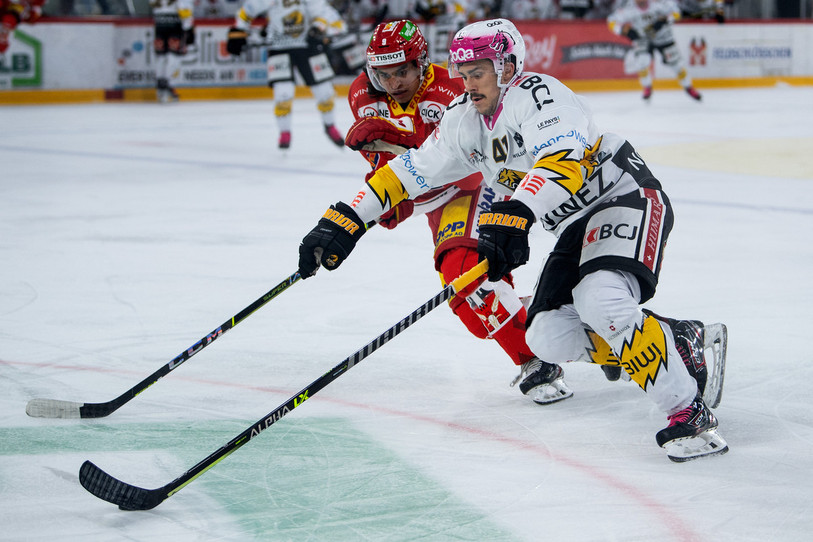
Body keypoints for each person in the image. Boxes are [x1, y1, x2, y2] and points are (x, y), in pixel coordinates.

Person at [297, 18, 728, 462]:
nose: (468, 84)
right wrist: (345, 219)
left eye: (477, 72)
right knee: (546, 337)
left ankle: (688, 411)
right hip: (574, 226)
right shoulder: (464, 121)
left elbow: (562, 162)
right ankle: (675, 339)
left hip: (622, 195)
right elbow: (410, 171)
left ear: (505, 66)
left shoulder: (540, 94)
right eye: (463, 74)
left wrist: (515, 215)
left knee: (601, 300)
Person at [344, 19, 572, 405]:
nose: (394, 82)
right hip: (430, 197)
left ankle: (535, 358)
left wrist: (397, 138)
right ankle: (553, 321)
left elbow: (465, 166)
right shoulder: (363, 93)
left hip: (476, 186)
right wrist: (392, 199)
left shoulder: (451, 88)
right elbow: (396, 166)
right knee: (470, 305)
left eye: (402, 71)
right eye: (383, 73)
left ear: (421, 62)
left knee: (465, 274)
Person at [226, 0, 347, 149]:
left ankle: (330, 125)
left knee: (325, 92)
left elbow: (323, 13)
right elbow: (249, 9)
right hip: (279, 47)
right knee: (283, 94)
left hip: (308, 45)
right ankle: (285, 132)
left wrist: (319, 28)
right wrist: (238, 30)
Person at [608, 0, 702, 102]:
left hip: (664, 37)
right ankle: (647, 86)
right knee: (641, 62)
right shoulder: (628, 6)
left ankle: (688, 87)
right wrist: (625, 31)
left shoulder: (661, 2)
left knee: (676, 65)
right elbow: (611, 21)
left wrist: (664, 20)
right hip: (642, 38)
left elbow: (676, 12)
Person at [150, 0, 195, 103]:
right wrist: (188, 28)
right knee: (174, 56)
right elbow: (185, 9)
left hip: (160, 24)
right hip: (175, 24)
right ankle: (166, 84)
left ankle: (161, 86)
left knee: (161, 57)